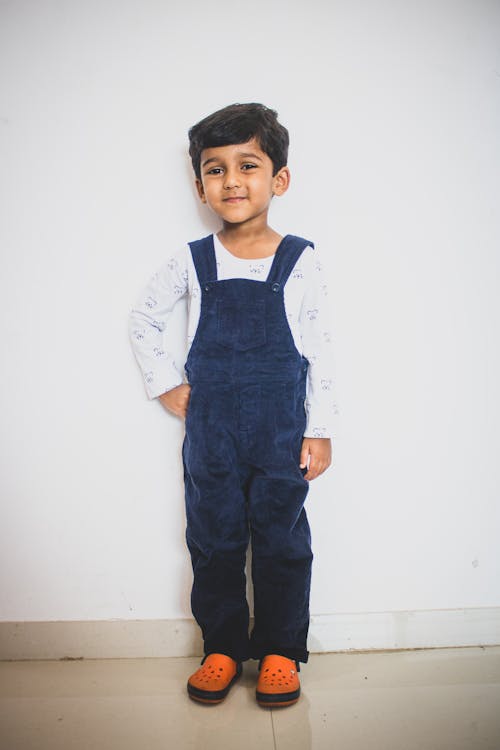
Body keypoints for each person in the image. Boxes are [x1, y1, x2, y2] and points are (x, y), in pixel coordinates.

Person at [129, 103, 335, 708]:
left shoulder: (301, 261)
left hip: (280, 430)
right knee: (213, 538)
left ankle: (279, 650)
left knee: (281, 539)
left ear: (279, 179)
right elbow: (143, 319)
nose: (232, 181)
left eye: (248, 165)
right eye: (215, 170)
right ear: (199, 186)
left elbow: (320, 349)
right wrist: (167, 382)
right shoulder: (192, 262)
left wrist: (319, 428)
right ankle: (221, 646)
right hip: (211, 433)